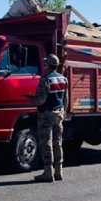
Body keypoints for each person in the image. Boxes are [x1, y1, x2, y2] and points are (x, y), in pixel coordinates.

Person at [25, 54, 68, 182]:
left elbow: (41, 100)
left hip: (46, 115)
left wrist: (30, 99)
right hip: (59, 113)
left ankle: (48, 172)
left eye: (45, 64)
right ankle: (59, 171)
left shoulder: (46, 80)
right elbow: (66, 99)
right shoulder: (63, 79)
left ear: (48, 65)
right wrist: (63, 111)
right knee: (58, 142)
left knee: (46, 143)